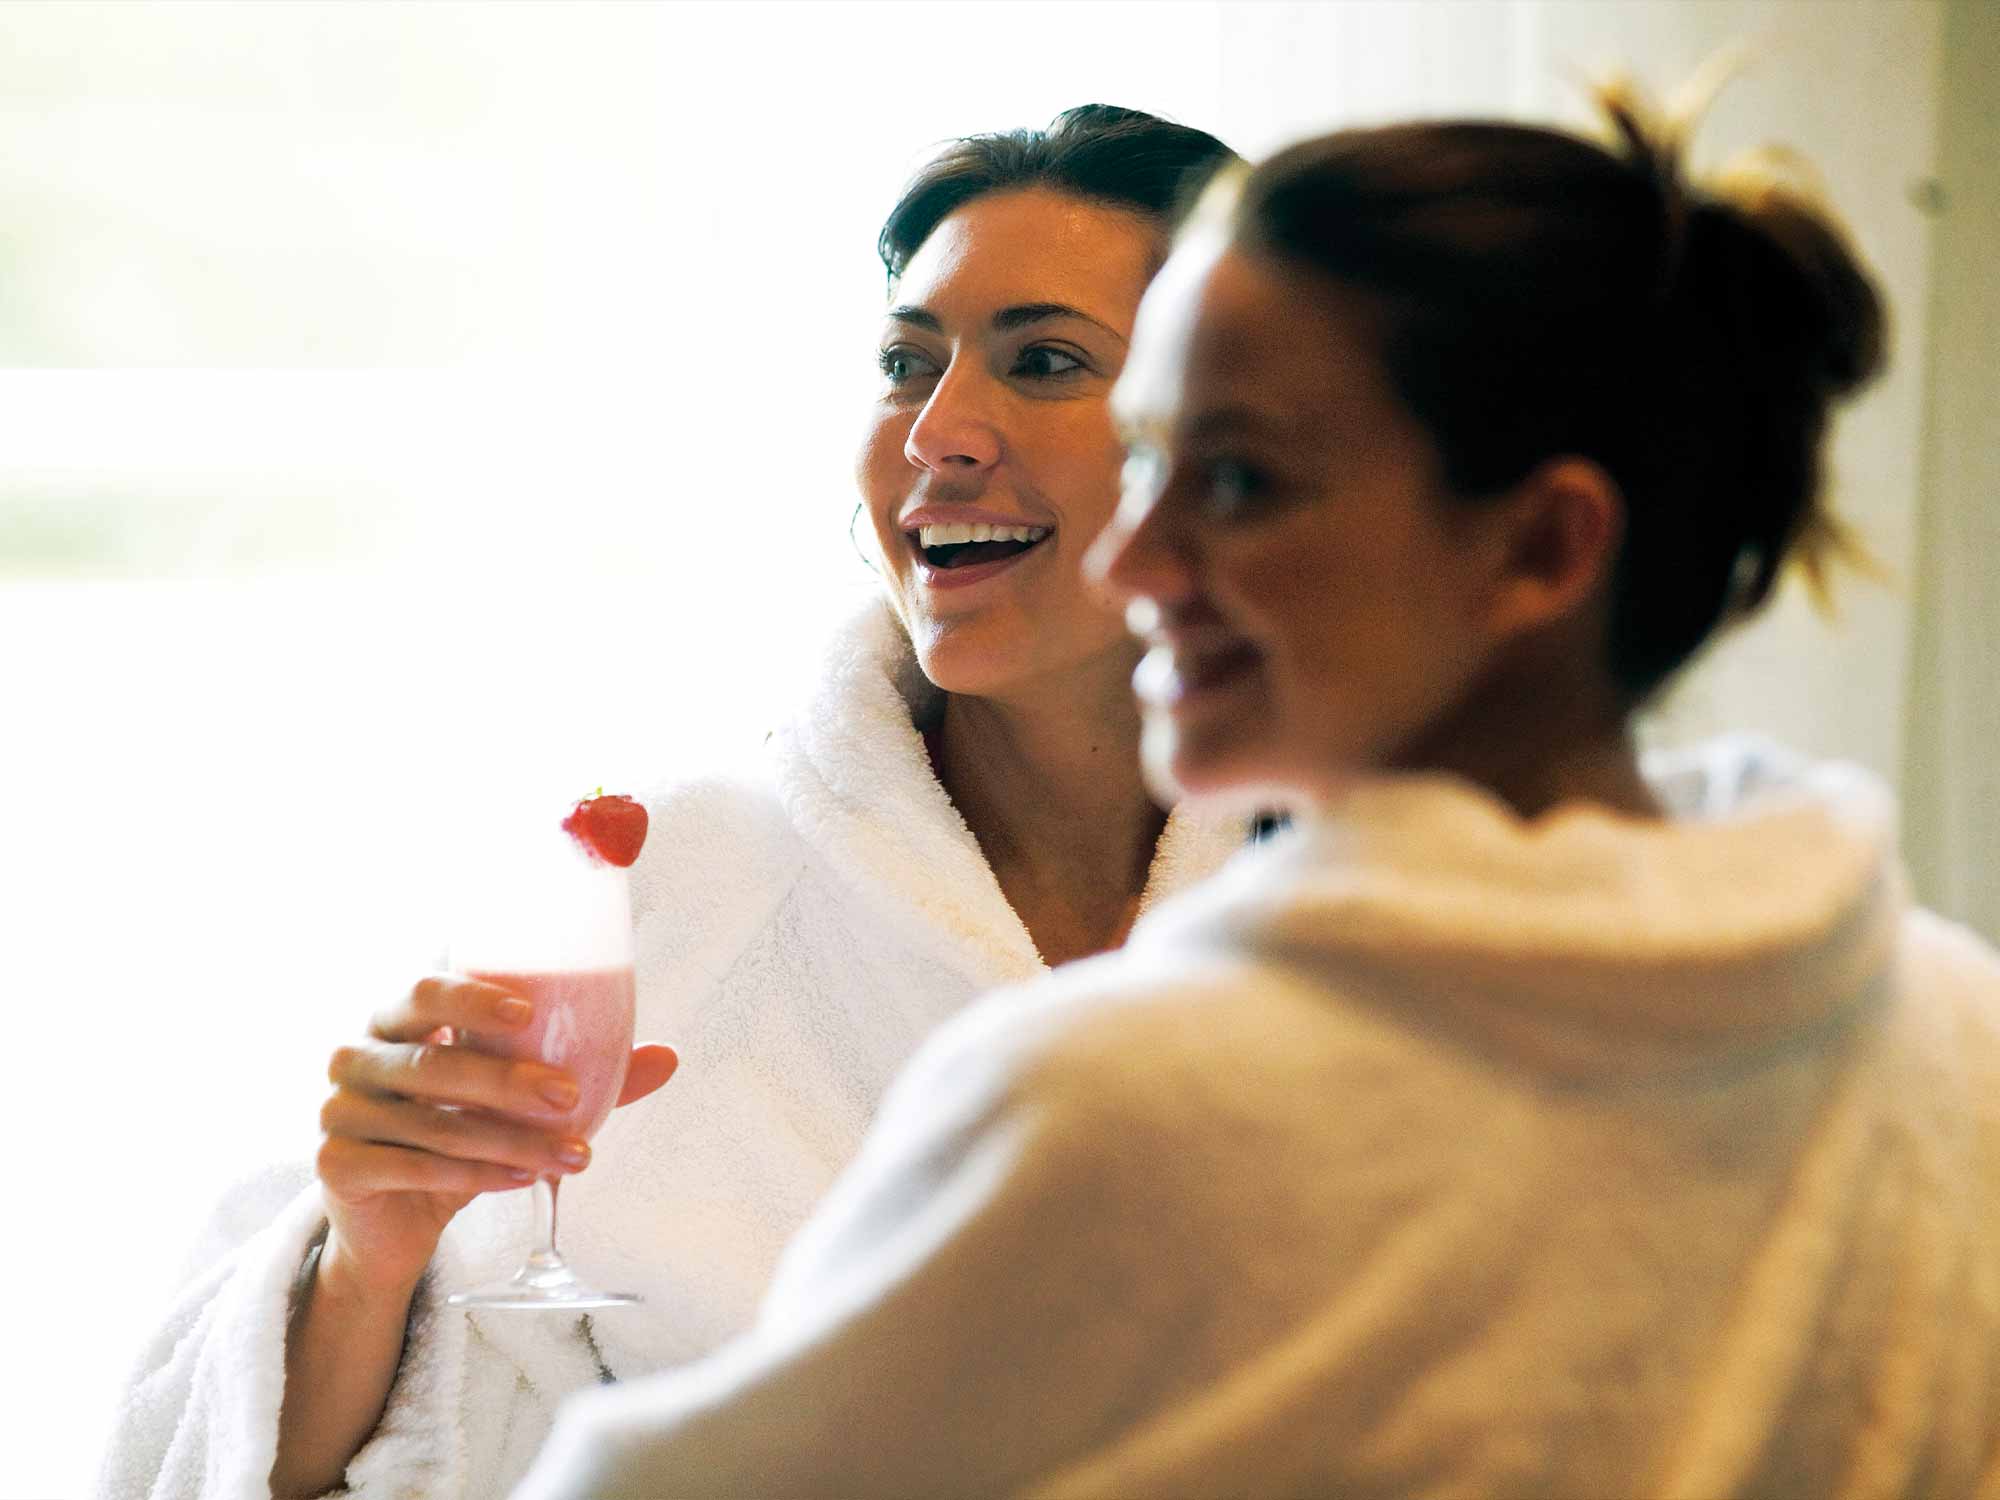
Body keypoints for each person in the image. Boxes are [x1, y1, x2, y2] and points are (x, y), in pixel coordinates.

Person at [508, 88, 2000, 1500]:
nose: (1144, 560)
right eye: (1153, 456)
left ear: (1544, 547)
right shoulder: (1949, 1033)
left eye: (1236, 482)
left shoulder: (1133, 1106)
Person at [96, 104, 1245, 1500]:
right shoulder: (680, 889)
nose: (938, 433)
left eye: (1046, 360)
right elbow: (401, 1442)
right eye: (904, 365)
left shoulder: (1395, 909)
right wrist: (371, 1250)